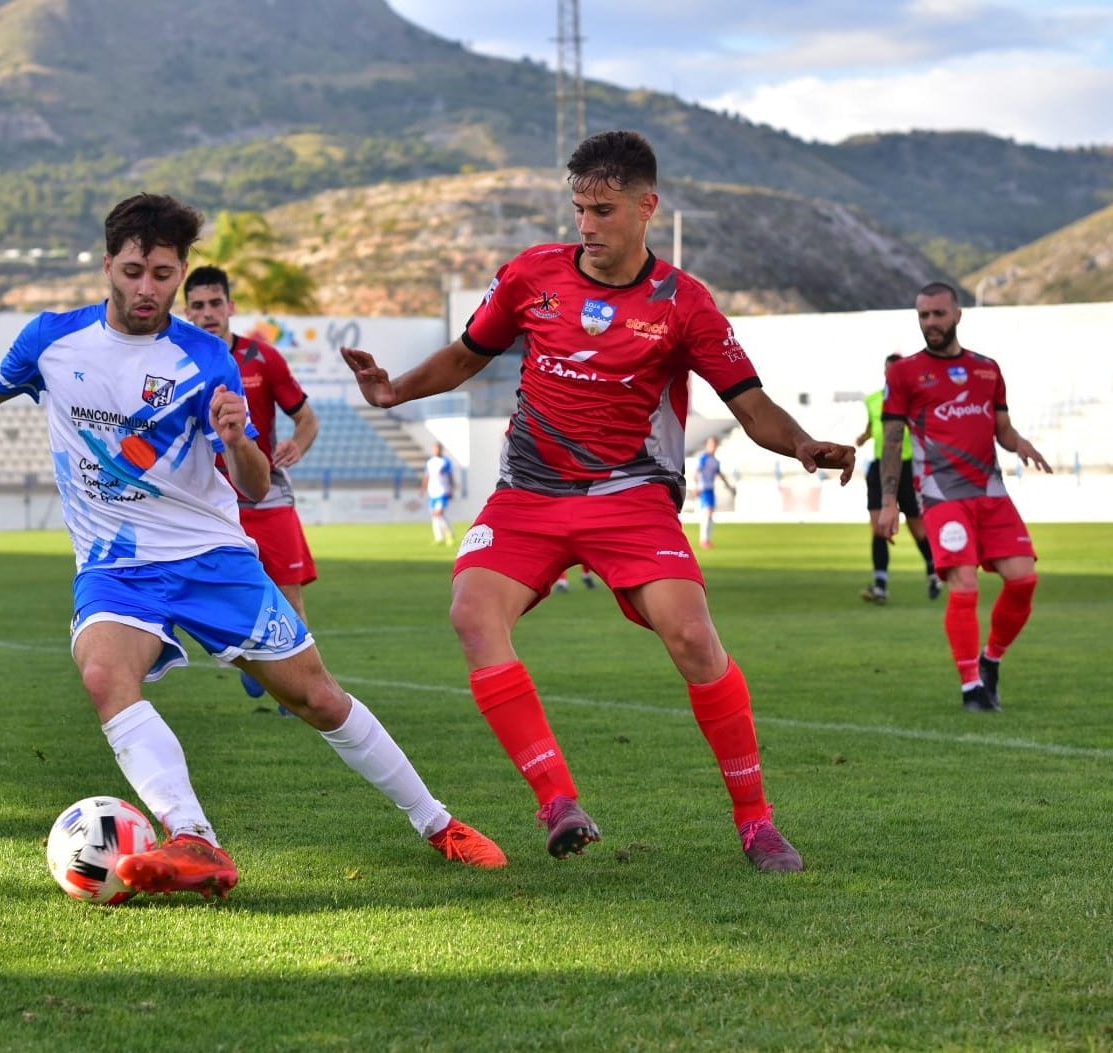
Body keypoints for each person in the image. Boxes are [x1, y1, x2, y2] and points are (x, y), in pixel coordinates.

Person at [0, 192, 507, 900]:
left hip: (210, 558)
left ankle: (438, 822)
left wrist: (237, 437)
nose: (147, 288)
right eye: (133, 271)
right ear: (108, 266)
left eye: (163, 274)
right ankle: (195, 837)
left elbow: (252, 487)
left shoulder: (204, 357)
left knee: (315, 695)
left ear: (180, 271)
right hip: (115, 568)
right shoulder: (52, 340)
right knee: (104, 673)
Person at [341, 130, 856, 872]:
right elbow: (464, 357)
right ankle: (557, 800)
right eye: (579, 207)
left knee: (692, 637)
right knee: (471, 613)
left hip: (630, 497)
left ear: (648, 207)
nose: (586, 224)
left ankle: (757, 823)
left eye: (604, 209)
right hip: (528, 495)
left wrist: (804, 443)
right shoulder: (530, 275)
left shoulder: (685, 304)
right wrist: (394, 390)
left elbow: (751, 406)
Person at [877, 281, 1052, 713]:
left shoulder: (987, 370)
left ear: (957, 315)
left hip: (990, 491)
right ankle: (971, 685)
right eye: (923, 316)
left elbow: (1002, 429)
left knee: (1024, 578)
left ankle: (991, 660)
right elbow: (893, 439)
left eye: (938, 314)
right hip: (941, 494)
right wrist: (888, 501)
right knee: (965, 584)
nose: (930, 323)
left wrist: (1021, 443)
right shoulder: (902, 374)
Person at [183, 264, 319, 706]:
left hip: (267, 491)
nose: (208, 313)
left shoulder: (263, 358)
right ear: (186, 310)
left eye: (215, 304)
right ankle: (252, 659)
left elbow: (306, 418)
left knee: (288, 590)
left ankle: (294, 688)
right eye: (198, 306)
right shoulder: (175, 361)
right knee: (201, 593)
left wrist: (298, 444)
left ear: (230, 306)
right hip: (205, 499)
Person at [855, 354, 941, 603]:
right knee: (878, 527)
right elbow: (874, 426)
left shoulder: (916, 400)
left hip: (907, 467)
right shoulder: (873, 400)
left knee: (917, 527)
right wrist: (864, 437)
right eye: (889, 370)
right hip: (879, 468)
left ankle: (933, 569)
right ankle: (880, 585)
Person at [693, 436, 736, 549]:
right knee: (707, 513)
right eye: (710, 444)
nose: (712, 447)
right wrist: (696, 486)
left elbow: (720, 475)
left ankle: (707, 539)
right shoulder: (704, 458)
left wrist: (729, 487)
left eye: (714, 444)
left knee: (710, 514)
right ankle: (704, 540)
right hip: (704, 489)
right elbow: (697, 472)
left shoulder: (716, 461)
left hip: (711, 489)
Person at [420, 441, 456, 545]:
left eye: (438, 448)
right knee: (434, 515)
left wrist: (451, 489)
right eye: (435, 448)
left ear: (441, 449)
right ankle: (439, 537)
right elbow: (427, 476)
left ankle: (449, 534)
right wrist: (423, 488)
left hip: (443, 491)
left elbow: (450, 476)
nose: (436, 450)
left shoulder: (446, 462)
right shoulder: (430, 462)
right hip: (432, 492)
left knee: (439, 513)